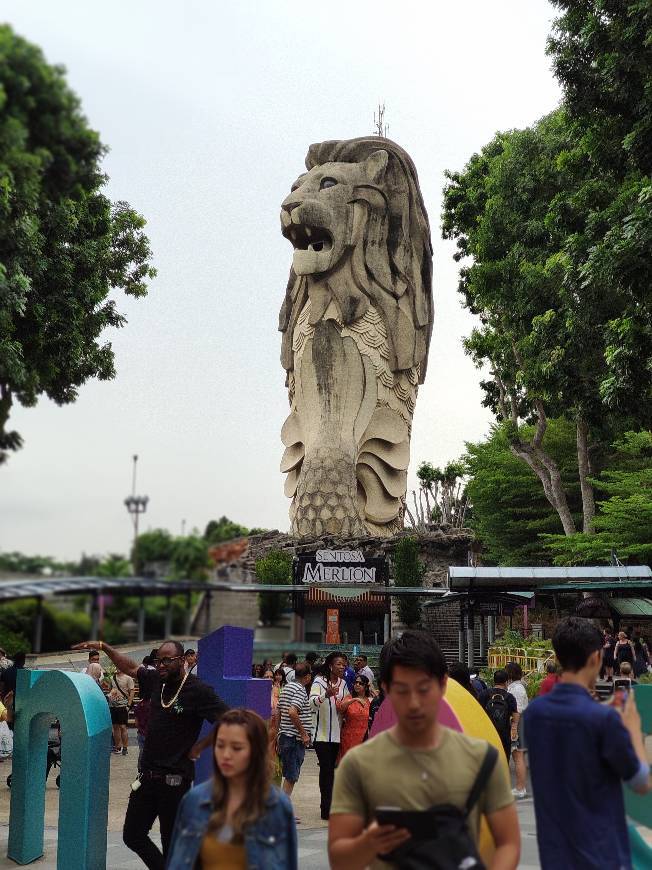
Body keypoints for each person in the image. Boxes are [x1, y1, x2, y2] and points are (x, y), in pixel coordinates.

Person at [328, 630, 520, 870]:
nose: (414, 703)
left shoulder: (482, 758)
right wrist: (369, 843)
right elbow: (339, 858)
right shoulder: (357, 765)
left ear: (442, 685)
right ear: (385, 689)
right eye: (402, 691)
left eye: (423, 689)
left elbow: (508, 843)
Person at [72, 638, 228, 870]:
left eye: (167, 660)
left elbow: (231, 721)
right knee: (132, 835)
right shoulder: (157, 680)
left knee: (172, 845)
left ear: (183, 660)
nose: (161, 665)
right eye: (158, 660)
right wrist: (105, 647)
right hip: (147, 778)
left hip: (175, 782)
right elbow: (131, 668)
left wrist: (203, 744)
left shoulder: (198, 690)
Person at [525, 616, 652, 869]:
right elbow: (640, 782)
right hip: (602, 856)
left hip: (556, 856)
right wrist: (634, 733)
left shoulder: (534, 715)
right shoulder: (603, 720)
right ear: (596, 658)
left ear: (558, 658)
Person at [166, 708, 298, 869]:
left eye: (236, 748)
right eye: (220, 745)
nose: (226, 754)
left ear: (255, 751)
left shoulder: (277, 805)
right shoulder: (194, 800)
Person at [310, 652, 350, 820]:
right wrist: (325, 695)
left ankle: (331, 806)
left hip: (336, 734)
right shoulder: (319, 681)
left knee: (331, 771)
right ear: (330, 665)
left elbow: (346, 702)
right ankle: (325, 809)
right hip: (321, 734)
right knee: (326, 770)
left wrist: (349, 704)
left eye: (344, 664)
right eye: (339, 664)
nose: (342, 667)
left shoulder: (344, 683)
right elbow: (311, 703)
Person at [275, 662, 312, 801]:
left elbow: (278, 710)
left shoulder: (287, 687)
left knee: (289, 775)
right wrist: (303, 733)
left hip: (285, 736)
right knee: (291, 776)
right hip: (294, 739)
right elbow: (292, 712)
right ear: (307, 677)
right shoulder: (300, 690)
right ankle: (282, 810)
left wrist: (279, 731)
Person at [480, 670, 518, 762]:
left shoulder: (484, 694)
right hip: (504, 733)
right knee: (504, 759)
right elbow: (515, 716)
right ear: (506, 681)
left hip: (488, 732)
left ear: (494, 681)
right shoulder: (509, 697)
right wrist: (514, 730)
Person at [505, 662, 528, 799]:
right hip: (518, 723)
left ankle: (521, 787)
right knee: (518, 756)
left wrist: (514, 728)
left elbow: (517, 711)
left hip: (517, 723)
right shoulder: (517, 687)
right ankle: (520, 787)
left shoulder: (517, 689)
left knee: (518, 756)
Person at [339, 673, 371, 760]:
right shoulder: (349, 698)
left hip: (364, 736)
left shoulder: (369, 700)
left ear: (366, 686)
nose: (357, 685)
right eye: (356, 682)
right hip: (349, 736)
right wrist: (354, 699)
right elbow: (341, 708)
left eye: (360, 683)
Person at [109, 667, 136, 755]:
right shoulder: (112, 678)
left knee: (123, 727)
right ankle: (118, 746)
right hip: (113, 705)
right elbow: (110, 689)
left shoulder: (128, 678)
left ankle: (125, 747)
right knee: (115, 727)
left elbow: (132, 691)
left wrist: (129, 704)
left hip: (123, 705)